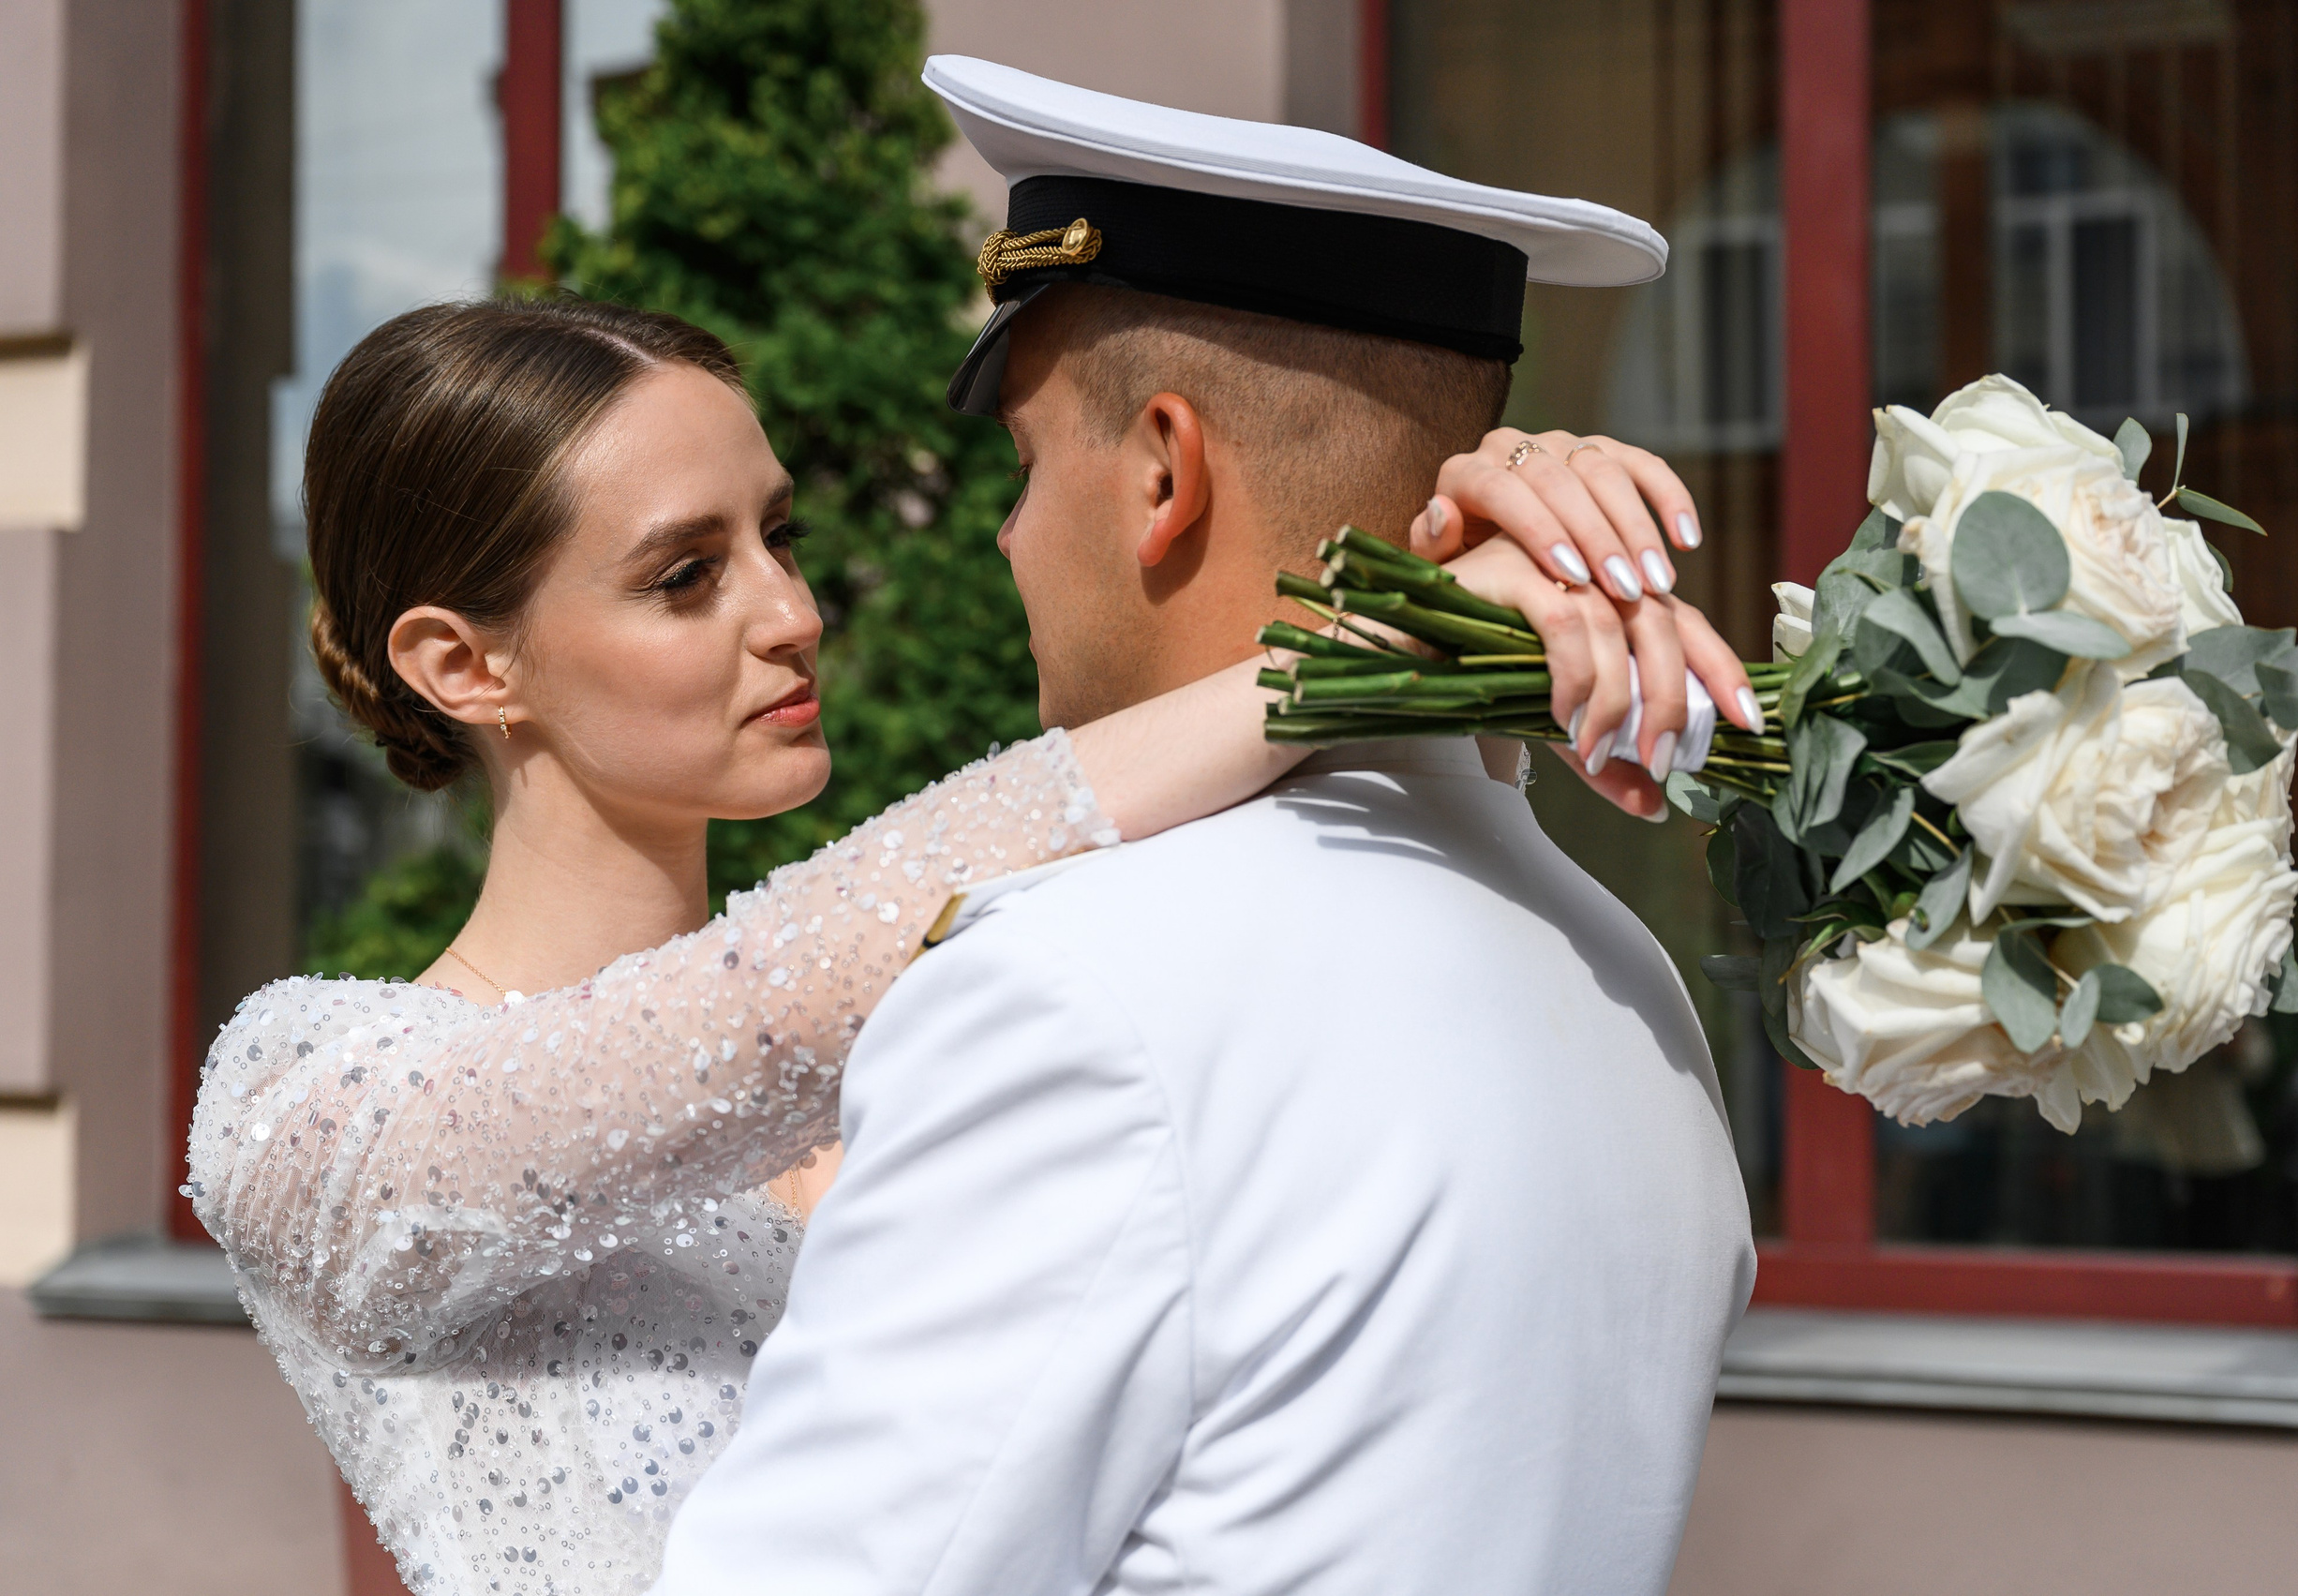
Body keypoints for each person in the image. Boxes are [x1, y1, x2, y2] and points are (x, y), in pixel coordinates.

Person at [187, 285, 1745, 1591]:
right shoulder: (307, 1102)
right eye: (686, 576)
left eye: (777, 537)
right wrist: (1380, 635)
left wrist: (1495, 568)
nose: (791, 611)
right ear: (465, 665)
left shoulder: (951, 1019)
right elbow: (765, 997)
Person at [650, 58, 1757, 1596]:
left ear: (1164, 469)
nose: (1007, 535)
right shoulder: (1632, 982)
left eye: (1029, 466)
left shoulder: (1075, 994)